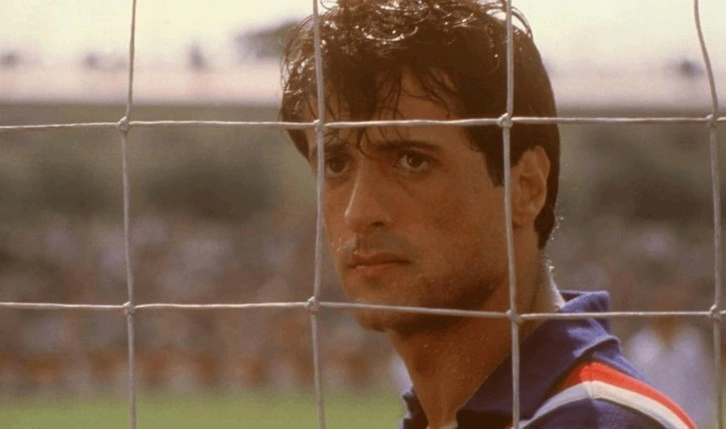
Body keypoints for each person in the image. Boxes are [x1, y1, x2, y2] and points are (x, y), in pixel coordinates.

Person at [279, 0, 696, 427]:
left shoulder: (597, 420)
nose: (358, 212)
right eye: (335, 164)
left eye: (411, 160)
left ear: (526, 187)